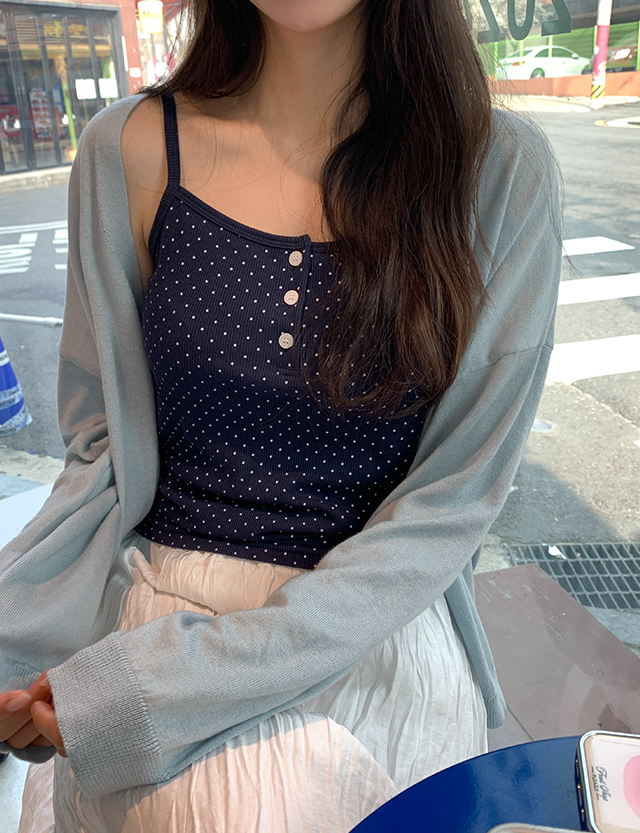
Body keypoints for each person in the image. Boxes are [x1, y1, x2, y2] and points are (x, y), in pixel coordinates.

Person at [0, 0, 561, 830]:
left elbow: (451, 504)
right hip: (155, 603)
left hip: (375, 626)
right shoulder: (129, 148)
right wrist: (22, 629)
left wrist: (163, 690)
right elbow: (103, 457)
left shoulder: (497, 170)